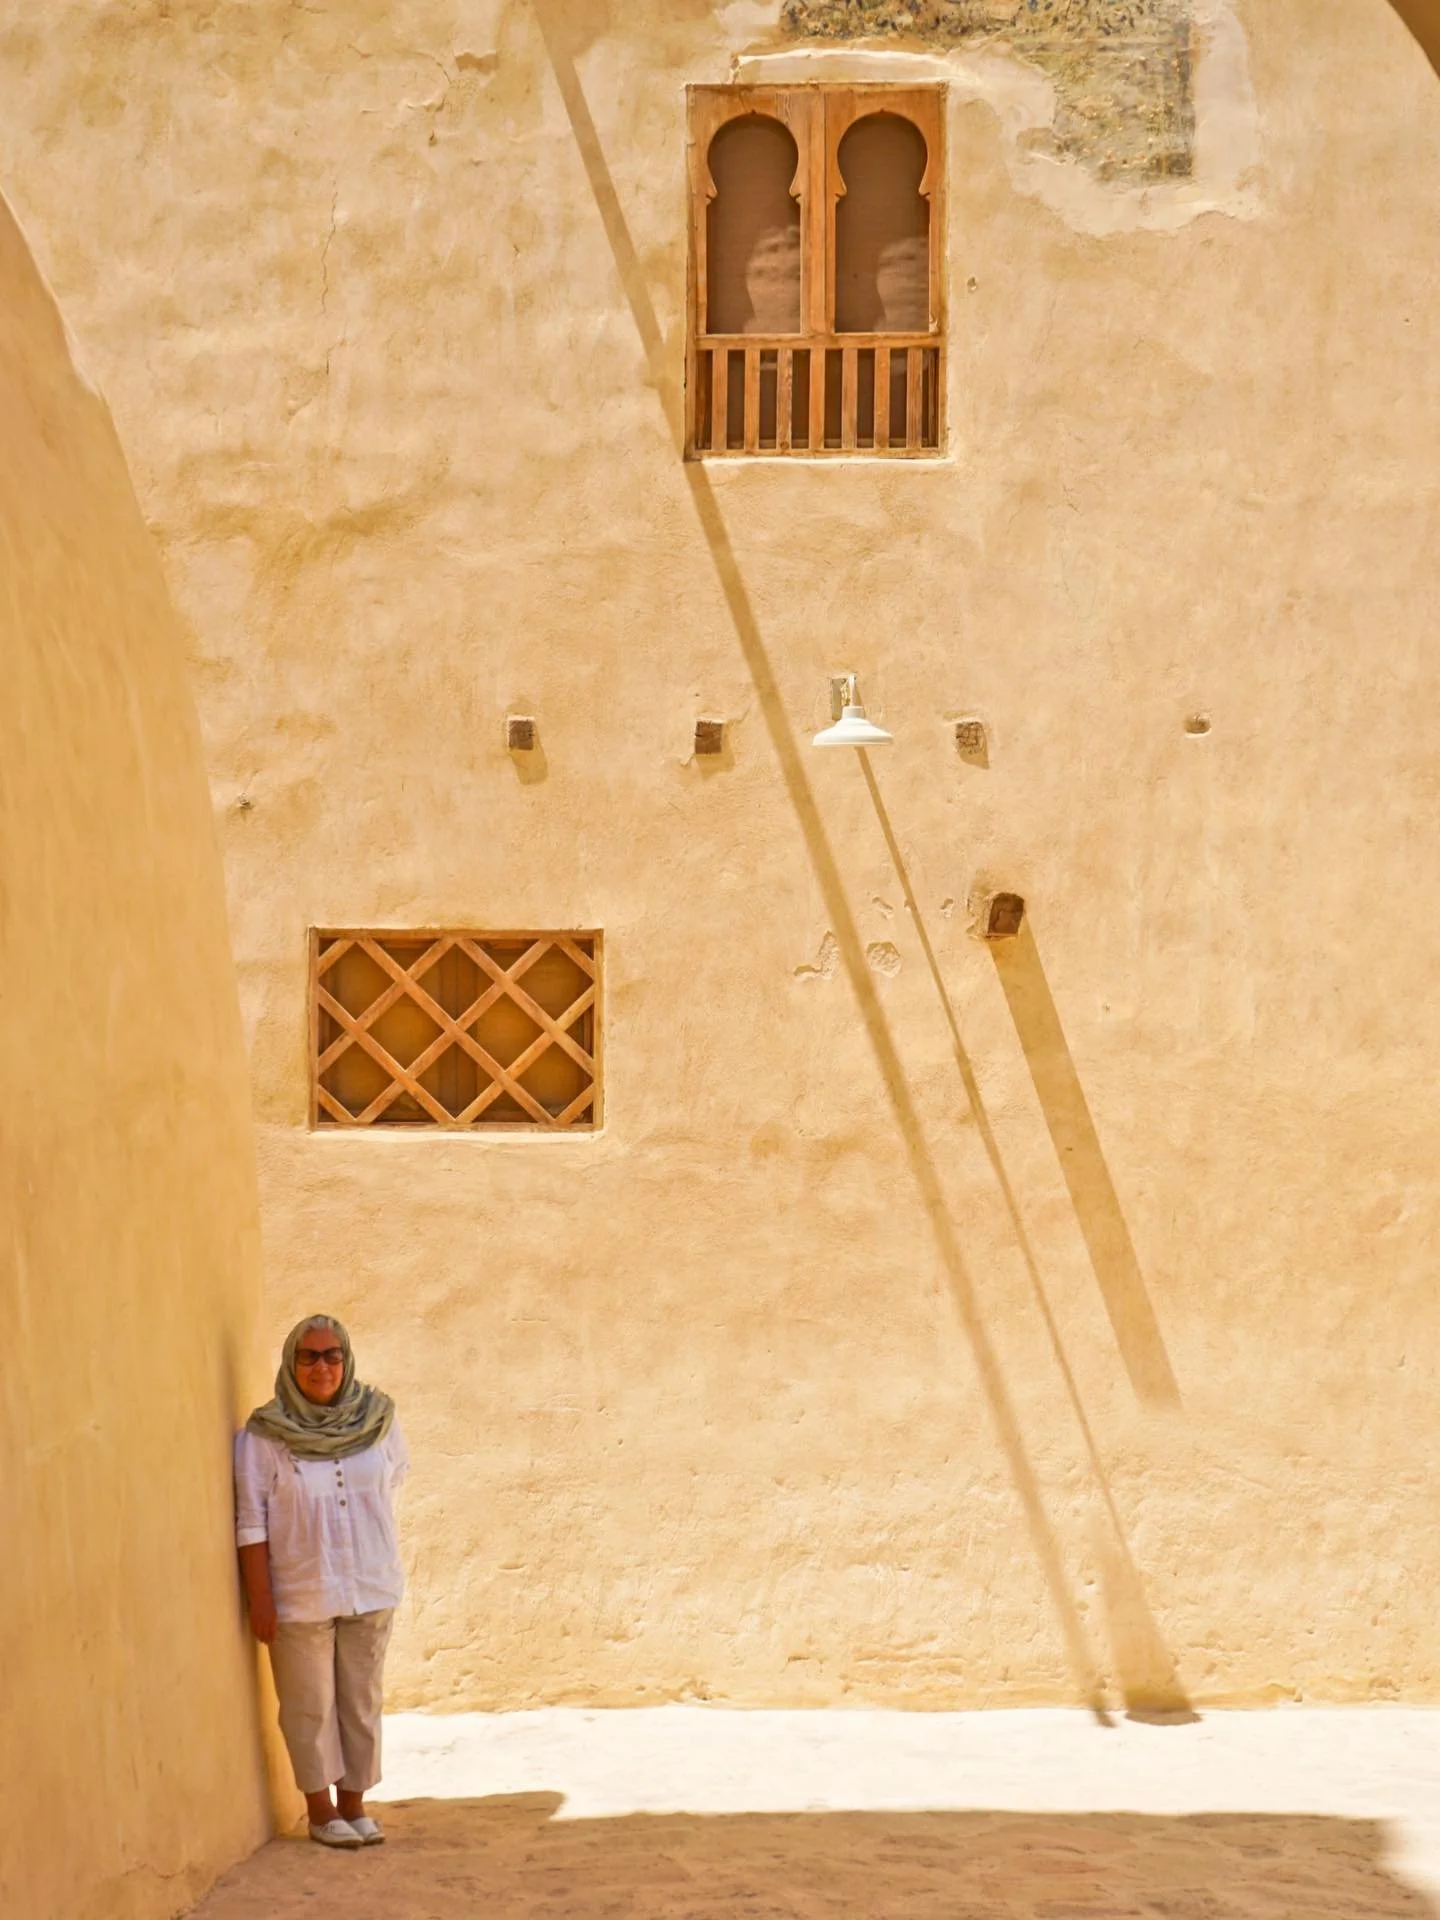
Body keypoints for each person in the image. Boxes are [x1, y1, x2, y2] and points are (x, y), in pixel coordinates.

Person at [235, 1315, 409, 1849]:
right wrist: (261, 1599)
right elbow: (251, 1520)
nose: (322, 1367)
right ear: (291, 1363)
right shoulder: (263, 1436)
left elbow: (393, 1479)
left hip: (370, 1583)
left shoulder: (380, 1420)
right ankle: (319, 1810)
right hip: (300, 1591)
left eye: (332, 1355)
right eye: (309, 1357)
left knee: (361, 1701)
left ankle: (354, 1804)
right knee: (309, 1704)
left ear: (347, 1359)